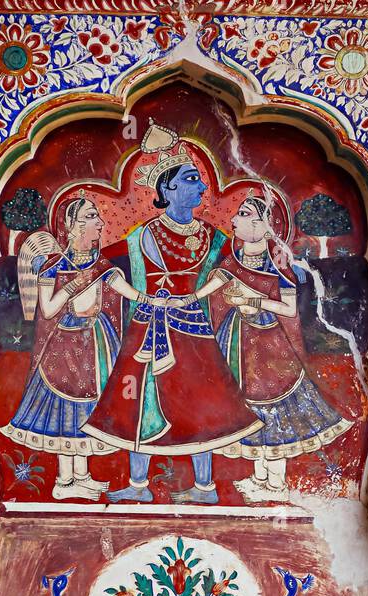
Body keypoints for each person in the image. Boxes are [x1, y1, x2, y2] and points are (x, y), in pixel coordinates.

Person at [83, 121, 261, 503]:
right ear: (169, 188)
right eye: (192, 178)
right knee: (137, 403)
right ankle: (137, 487)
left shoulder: (216, 239)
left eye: (200, 179)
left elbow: (240, 271)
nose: (201, 187)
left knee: (204, 404)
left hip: (194, 330)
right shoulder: (140, 236)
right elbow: (103, 267)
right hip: (147, 328)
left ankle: (204, 488)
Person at [204, 190, 353, 498]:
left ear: (264, 224)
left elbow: (288, 309)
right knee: (249, 409)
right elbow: (210, 294)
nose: (234, 220)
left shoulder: (276, 265)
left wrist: (254, 299)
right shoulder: (231, 263)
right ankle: (260, 478)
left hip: (271, 348)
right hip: (240, 345)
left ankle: (275, 483)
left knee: (276, 409)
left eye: (244, 215)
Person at [1, 193, 144, 501]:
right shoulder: (51, 267)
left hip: (94, 346)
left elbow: (131, 293)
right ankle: (64, 480)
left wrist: (155, 301)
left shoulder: (103, 266)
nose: (100, 223)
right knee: (65, 410)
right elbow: (48, 311)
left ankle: (82, 476)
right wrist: (71, 286)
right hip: (63, 348)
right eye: (92, 217)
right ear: (72, 226)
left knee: (87, 410)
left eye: (98, 217)